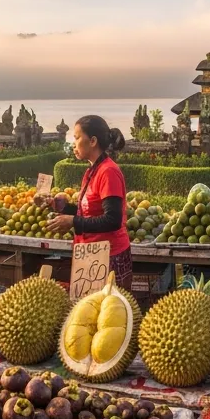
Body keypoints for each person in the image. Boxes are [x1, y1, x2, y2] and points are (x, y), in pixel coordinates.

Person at [48, 116, 133, 290]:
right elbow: (88, 212)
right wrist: (62, 207)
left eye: (77, 138)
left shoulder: (108, 172)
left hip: (109, 257)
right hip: (91, 254)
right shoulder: (92, 171)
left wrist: (72, 221)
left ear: (93, 141)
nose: (74, 144)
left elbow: (112, 220)